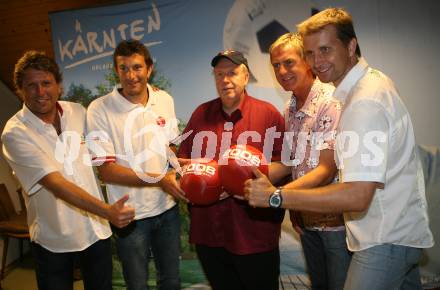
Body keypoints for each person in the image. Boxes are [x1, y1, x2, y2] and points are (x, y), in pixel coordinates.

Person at [244, 8, 434, 290]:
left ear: (351, 45)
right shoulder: (369, 83)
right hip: (395, 232)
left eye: (325, 50)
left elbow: (357, 194)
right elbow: (293, 162)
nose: (316, 61)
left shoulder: (362, 102)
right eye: (310, 53)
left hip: (383, 237)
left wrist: (276, 198)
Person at [1, 51, 135, 290]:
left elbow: (106, 152)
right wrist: (107, 211)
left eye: (46, 83)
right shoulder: (15, 133)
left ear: (59, 86)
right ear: (19, 90)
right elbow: (56, 184)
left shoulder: (78, 112)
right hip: (54, 240)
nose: (40, 92)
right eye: (31, 86)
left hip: (95, 232)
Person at [177, 50, 285, 290]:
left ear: (245, 77)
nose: (225, 80)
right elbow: (181, 160)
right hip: (209, 232)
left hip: (254, 234)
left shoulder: (268, 114)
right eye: (219, 74)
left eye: (232, 73)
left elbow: (286, 164)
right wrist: (186, 177)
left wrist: (249, 181)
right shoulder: (200, 114)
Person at [86, 40, 184, 290]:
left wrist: (176, 170)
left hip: (168, 210)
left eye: (137, 67)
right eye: (124, 68)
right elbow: (106, 171)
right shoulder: (99, 109)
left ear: (149, 69)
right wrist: (158, 179)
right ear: (116, 71)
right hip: (130, 217)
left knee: (171, 281)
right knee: (137, 285)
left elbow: (170, 147)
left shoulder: (165, 100)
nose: (131, 75)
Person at [268, 32, 351, 290]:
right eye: (276, 65)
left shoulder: (330, 100)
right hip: (306, 221)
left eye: (288, 62)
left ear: (306, 61)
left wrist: (278, 196)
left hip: (336, 221)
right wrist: (294, 209)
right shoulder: (289, 109)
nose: (282, 71)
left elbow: (326, 169)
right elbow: (294, 163)